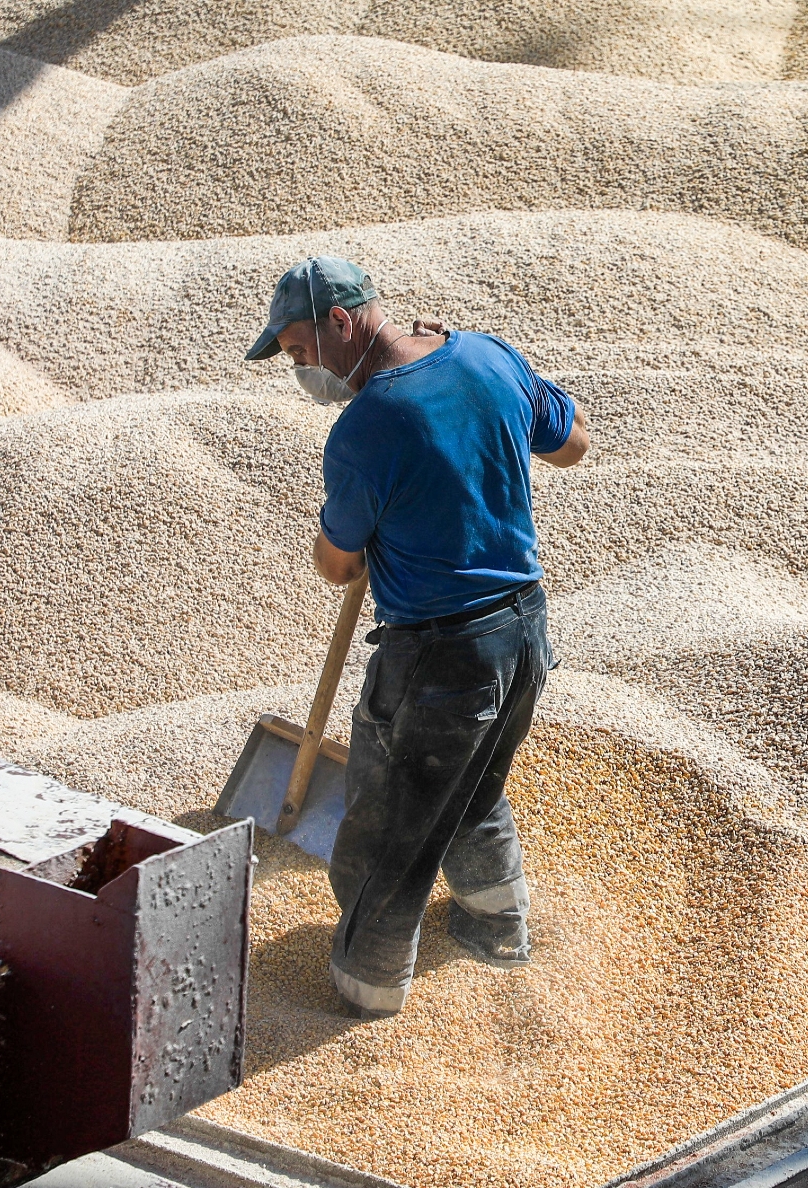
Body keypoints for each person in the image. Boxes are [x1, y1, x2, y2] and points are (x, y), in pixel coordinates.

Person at [246, 257, 589, 1017]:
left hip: (439, 656)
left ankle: (365, 995)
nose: (301, 370)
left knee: (387, 828)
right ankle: (497, 928)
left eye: (300, 352)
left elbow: (337, 567)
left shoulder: (365, 429)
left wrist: (373, 527)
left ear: (341, 322)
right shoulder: (488, 356)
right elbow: (572, 444)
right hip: (525, 635)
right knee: (471, 789)